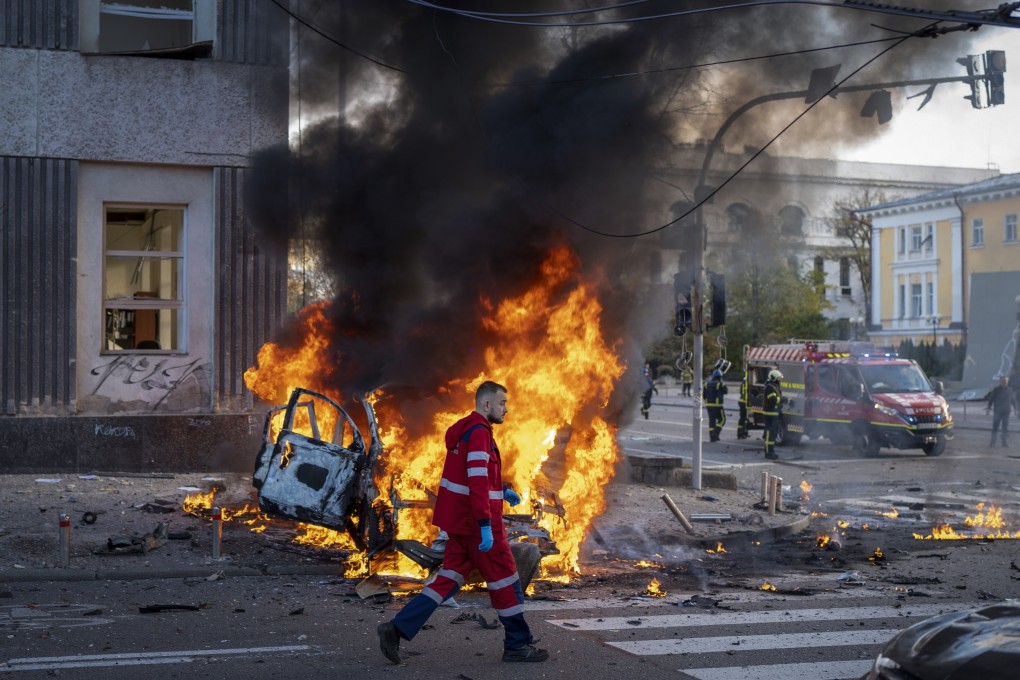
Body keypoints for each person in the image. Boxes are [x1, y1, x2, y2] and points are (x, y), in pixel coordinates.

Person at [377, 381, 549, 664]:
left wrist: (500, 491)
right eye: (503, 402)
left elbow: (473, 477)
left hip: (459, 525)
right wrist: (485, 524)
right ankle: (518, 645)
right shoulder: (480, 433)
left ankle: (396, 629)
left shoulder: (465, 430)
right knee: (507, 581)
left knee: (447, 580)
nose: (507, 408)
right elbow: (477, 481)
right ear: (487, 405)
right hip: (478, 526)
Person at [986, 375, 1014, 447]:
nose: (1004, 383)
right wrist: (989, 408)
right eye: (1003, 381)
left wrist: (1016, 409)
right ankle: (993, 442)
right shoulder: (996, 390)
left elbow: (1012, 400)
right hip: (998, 411)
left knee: (1005, 427)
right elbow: (991, 399)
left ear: (1007, 382)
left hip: (1006, 411)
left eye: (1005, 381)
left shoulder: (1010, 390)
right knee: (995, 427)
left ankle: (1004, 443)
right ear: (1000, 382)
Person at [763, 369, 783, 460]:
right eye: (778, 379)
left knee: (773, 434)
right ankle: (768, 453)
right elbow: (773, 400)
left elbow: (778, 398)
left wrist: (788, 400)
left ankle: (771, 452)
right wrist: (783, 400)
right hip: (770, 414)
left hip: (774, 414)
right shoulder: (770, 387)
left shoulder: (774, 387)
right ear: (774, 378)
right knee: (769, 434)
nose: (780, 381)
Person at [704, 369, 727, 442]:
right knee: (722, 419)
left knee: (712, 421)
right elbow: (726, 391)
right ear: (720, 376)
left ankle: (712, 437)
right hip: (717, 405)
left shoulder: (706, 383)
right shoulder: (720, 383)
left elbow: (703, 395)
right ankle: (715, 434)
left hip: (708, 405)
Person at [736, 368, 750, 439]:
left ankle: (744, 432)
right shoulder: (747, 381)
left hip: (743, 401)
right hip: (744, 402)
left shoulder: (744, 381)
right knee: (743, 418)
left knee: (745, 418)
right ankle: (740, 433)